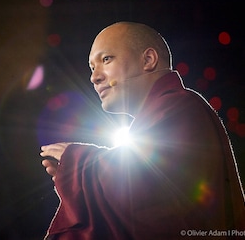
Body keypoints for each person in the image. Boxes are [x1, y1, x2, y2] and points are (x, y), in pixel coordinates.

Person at [40, 22, 245, 239]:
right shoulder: (159, 115)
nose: (94, 77)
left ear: (148, 60)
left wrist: (79, 164)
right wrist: (80, 186)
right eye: (92, 68)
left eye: (106, 59)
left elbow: (144, 194)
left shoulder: (181, 105)